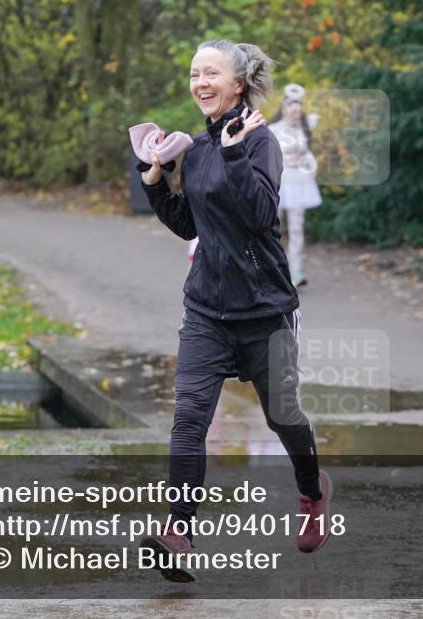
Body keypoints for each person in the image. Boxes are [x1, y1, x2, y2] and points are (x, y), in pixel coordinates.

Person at [136, 39, 333, 583]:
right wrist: (154, 182)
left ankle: (312, 493)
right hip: (206, 310)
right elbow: (190, 225)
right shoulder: (196, 149)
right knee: (188, 420)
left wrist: (231, 152)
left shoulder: (260, 141)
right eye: (194, 73)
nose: (200, 82)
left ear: (238, 83)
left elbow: (260, 213)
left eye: (211, 73)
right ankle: (178, 532)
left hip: (266, 309)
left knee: (282, 416)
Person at [268, 83, 322, 288]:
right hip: (279, 181)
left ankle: (296, 270)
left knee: (297, 228)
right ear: (283, 110)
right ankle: (273, 269)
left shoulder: (304, 129)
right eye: (291, 110)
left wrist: (310, 163)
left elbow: (307, 152)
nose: (295, 114)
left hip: (299, 182)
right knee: (273, 226)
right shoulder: (273, 130)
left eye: (298, 111)